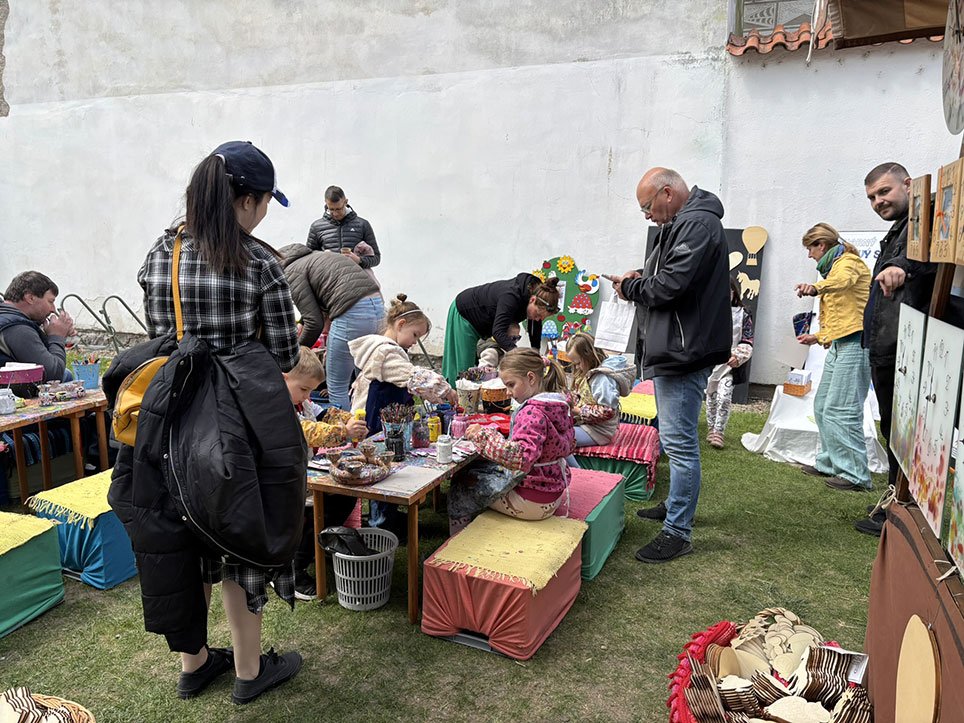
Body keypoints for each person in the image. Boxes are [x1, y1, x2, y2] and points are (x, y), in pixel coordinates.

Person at [109, 141, 303, 705]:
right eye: (265, 201)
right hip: (238, 420)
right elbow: (287, 355)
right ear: (246, 199)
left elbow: (164, 334)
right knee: (237, 531)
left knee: (176, 530)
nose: (265, 212)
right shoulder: (260, 261)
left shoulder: (161, 253)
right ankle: (247, 672)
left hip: (168, 416)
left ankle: (195, 663)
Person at [612, 167, 731, 564]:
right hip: (679, 348)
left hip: (684, 351)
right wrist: (641, 274)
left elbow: (671, 286)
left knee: (680, 447)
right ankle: (676, 504)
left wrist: (632, 288)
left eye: (647, 207)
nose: (647, 216)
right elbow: (668, 276)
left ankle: (677, 531)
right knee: (672, 436)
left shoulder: (696, 224)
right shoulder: (689, 222)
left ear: (667, 193)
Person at [856, 162, 936, 536]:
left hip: (908, 343)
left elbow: (925, 258)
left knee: (908, 432)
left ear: (908, 184)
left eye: (884, 192)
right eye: (872, 196)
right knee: (895, 428)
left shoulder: (927, 217)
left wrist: (900, 268)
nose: (878, 201)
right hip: (889, 342)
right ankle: (896, 504)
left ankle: (903, 510)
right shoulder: (899, 227)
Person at [349, 294, 456, 534]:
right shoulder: (387, 352)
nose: (415, 342)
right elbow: (414, 377)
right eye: (415, 335)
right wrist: (444, 388)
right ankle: (382, 524)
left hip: (381, 416)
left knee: (387, 465)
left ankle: (388, 516)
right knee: (381, 468)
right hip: (377, 419)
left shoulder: (383, 348)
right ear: (400, 325)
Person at [449, 348, 575, 534]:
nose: (508, 392)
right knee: (481, 470)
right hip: (553, 491)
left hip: (533, 501)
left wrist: (482, 435)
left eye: (511, 384)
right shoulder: (557, 405)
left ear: (531, 378)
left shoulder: (532, 412)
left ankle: (457, 543)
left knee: (462, 483)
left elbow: (521, 458)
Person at [283, 346, 367, 600]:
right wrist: (344, 432)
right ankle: (293, 570)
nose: (307, 395)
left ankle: (322, 545)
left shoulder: (301, 402)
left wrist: (349, 419)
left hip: (304, 476)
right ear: (283, 377)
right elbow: (309, 431)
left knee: (345, 495)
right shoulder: (277, 407)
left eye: (310, 390)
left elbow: (327, 413)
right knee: (316, 508)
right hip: (283, 484)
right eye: (304, 389)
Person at [795, 223, 872, 492]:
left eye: (810, 249)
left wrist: (816, 288)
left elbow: (843, 283)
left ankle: (855, 475)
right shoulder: (834, 266)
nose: (809, 256)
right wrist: (817, 337)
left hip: (857, 344)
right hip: (841, 342)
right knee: (823, 405)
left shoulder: (848, 263)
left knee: (844, 410)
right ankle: (829, 463)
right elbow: (843, 313)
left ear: (822, 246)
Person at [278, 244, 383, 410]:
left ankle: (345, 433)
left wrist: (296, 356)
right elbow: (315, 311)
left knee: (337, 385)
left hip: (353, 312)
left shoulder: (290, 272)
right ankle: (368, 427)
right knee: (363, 380)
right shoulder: (315, 257)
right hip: (377, 307)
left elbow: (314, 323)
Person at [443, 274, 561, 385]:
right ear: (533, 300)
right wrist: (520, 356)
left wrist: (536, 355)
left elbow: (534, 329)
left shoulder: (533, 296)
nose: (537, 319)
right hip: (465, 313)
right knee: (463, 368)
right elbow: (498, 332)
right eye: (537, 314)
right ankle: (452, 399)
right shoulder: (511, 297)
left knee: (475, 371)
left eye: (541, 318)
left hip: (482, 323)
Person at [705, 277, 755, 449]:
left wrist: (739, 356)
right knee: (711, 396)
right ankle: (711, 428)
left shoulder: (743, 314)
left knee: (724, 396)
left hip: (730, 363)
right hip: (712, 362)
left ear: (734, 292)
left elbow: (748, 339)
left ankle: (719, 431)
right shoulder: (710, 312)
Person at [0, 271, 75, 381]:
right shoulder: (17, 329)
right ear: (30, 298)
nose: (53, 309)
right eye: (50, 301)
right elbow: (53, 375)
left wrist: (55, 336)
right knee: (65, 376)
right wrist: (57, 337)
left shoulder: (7, 317)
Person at [566, 332, 635, 447]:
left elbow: (608, 411)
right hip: (585, 425)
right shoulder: (586, 372)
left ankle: (575, 466)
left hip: (598, 432)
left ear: (589, 356)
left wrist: (578, 411)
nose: (576, 367)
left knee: (557, 440)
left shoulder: (602, 379)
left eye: (578, 363)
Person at [306, 185, 380, 273]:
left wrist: (359, 260)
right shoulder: (316, 227)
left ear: (346, 202)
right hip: (328, 280)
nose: (335, 213)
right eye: (331, 209)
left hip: (356, 279)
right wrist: (322, 258)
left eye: (338, 209)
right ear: (326, 203)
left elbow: (376, 258)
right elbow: (308, 260)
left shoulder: (363, 224)